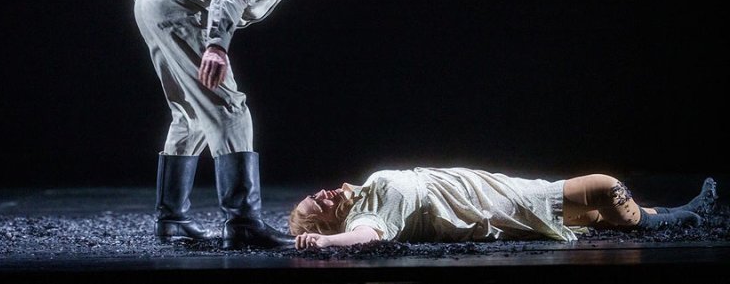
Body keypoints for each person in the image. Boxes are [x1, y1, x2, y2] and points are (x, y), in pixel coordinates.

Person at [134, 0, 344, 249]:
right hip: (179, 5)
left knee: (190, 114)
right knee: (230, 109)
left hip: (156, 1)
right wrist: (216, 45)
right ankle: (243, 224)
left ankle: (172, 220)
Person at [288, 167, 717, 249]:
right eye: (317, 203)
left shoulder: (366, 190)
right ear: (327, 221)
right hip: (511, 205)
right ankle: (658, 222)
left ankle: (667, 213)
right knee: (608, 188)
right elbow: (368, 236)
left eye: (317, 192)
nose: (323, 192)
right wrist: (325, 243)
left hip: (509, 189)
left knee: (596, 213)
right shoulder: (368, 214)